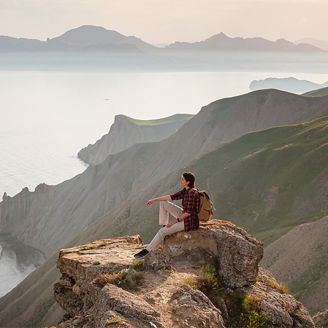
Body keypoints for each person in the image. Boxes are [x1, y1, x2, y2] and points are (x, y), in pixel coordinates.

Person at [134, 172, 200, 258]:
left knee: (161, 232)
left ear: (188, 182)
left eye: (182, 179)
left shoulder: (192, 193)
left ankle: (146, 251)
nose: (180, 180)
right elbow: (170, 197)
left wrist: (174, 222)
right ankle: (164, 225)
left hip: (190, 221)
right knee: (163, 203)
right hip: (185, 215)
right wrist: (153, 200)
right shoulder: (186, 190)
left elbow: (189, 212)